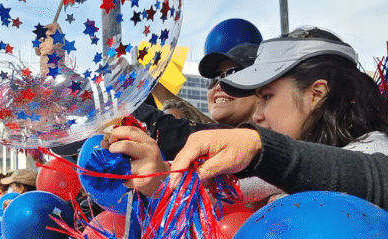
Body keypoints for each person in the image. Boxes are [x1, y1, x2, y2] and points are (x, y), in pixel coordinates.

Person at [112, 28, 388, 208]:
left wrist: (262, 148)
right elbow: (216, 202)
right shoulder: (269, 176)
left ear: (316, 94)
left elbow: (374, 179)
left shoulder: (375, 148)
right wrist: (159, 180)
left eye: (266, 97)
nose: (257, 115)